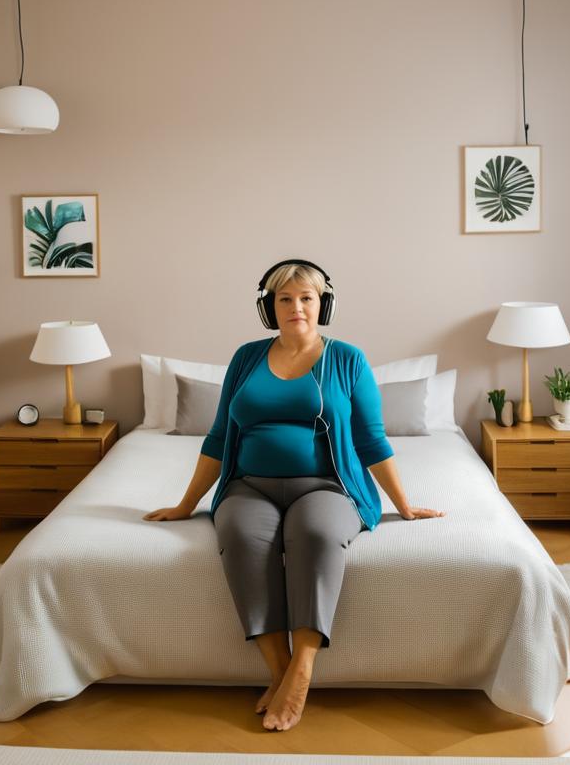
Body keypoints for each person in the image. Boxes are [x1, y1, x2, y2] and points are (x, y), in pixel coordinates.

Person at [144, 258, 444, 731]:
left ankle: (301, 671)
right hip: (249, 487)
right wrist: (186, 505)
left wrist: (401, 505)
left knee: (317, 535)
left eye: (307, 297)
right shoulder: (246, 359)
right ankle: (278, 671)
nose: (296, 307)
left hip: (327, 486)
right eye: (285, 298)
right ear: (270, 307)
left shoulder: (347, 359)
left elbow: (370, 440)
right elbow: (220, 436)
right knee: (241, 537)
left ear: (324, 303)